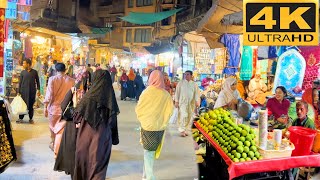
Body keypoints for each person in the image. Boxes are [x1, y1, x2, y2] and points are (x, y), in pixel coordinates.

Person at [72, 69, 120, 180]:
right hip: (103, 138)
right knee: (99, 168)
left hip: (85, 137)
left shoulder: (87, 98)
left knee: (84, 165)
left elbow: (76, 118)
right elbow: (112, 122)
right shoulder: (110, 99)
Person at [135, 70, 174, 180]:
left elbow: (139, 108)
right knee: (149, 151)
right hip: (159, 127)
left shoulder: (146, 92)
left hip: (147, 126)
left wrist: (144, 119)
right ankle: (147, 176)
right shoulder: (165, 95)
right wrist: (163, 121)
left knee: (148, 151)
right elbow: (170, 111)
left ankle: (148, 176)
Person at [43, 63, 75, 157]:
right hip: (66, 110)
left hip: (53, 109)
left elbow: (49, 94)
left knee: (53, 129)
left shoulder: (52, 79)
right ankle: (60, 148)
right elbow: (74, 96)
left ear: (56, 70)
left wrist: (45, 107)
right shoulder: (72, 81)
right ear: (65, 70)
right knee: (62, 130)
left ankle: (55, 146)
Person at [175, 70, 200, 137]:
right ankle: (182, 130)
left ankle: (185, 129)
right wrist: (176, 101)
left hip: (191, 103)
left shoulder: (194, 84)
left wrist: (197, 101)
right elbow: (177, 92)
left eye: (188, 74)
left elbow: (196, 93)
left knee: (189, 116)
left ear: (191, 76)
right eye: (185, 74)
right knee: (183, 115)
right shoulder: (180, 83)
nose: (186, 76)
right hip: (182, 102)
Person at [17, 58, 40, 124]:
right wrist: (18, 91)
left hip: (32, 91)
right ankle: (20, 118)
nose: (23, 64)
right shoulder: (22, 72)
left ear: (28, 64)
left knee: (30, 105)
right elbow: (20, 83)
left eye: (24, 63)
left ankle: (30, 118)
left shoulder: (34, 72)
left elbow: (38, 81)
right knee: (22, 104)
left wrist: (38, 89)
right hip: (23, 91)